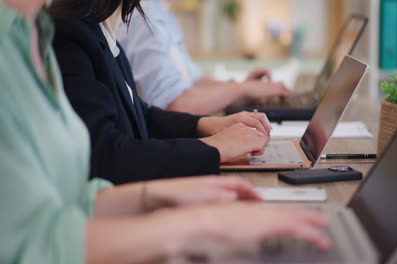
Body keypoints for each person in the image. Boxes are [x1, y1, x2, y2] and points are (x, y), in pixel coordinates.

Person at [0, 0, 331, 262]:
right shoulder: (59, 33)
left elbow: (72, 195)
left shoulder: (33, 33)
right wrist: (206, 220)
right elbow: (42, 240)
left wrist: (158, 194)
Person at [48, 0, 275, 185]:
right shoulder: (69, 33)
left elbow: (140, 115)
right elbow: (107, 156)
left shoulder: (97, 27)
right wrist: (214, 147)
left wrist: (205, 125)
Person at [115, 0, 292, 116]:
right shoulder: (145, 19)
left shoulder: (162, 14)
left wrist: (242, 88)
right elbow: (176, 106)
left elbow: (194, 80)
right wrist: (241, 89)